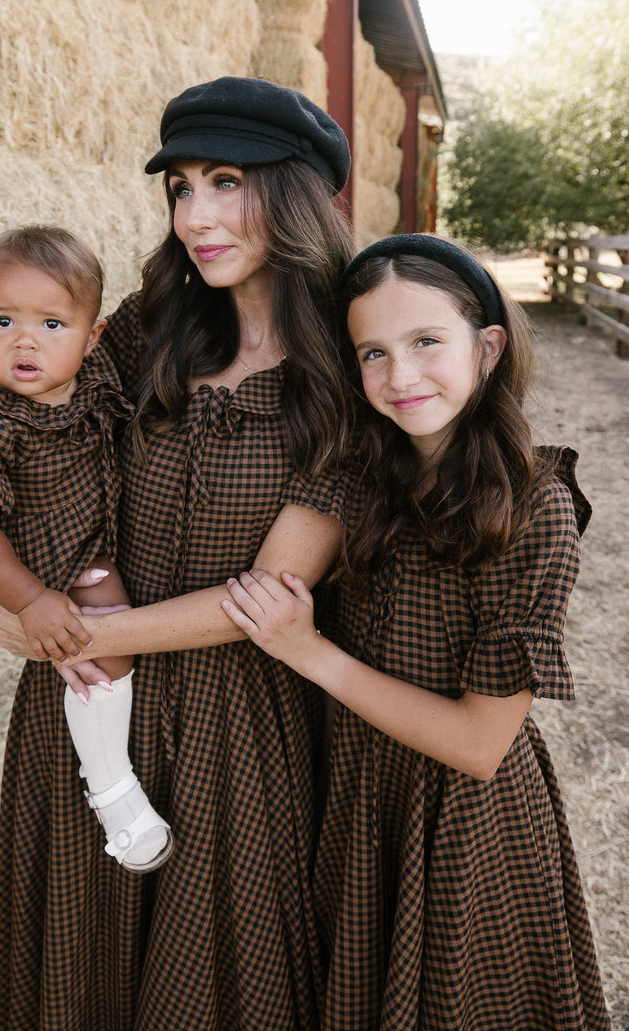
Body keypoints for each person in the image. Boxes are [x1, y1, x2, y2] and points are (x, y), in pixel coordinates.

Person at [0, 77, 356, 1030]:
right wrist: (9, 582)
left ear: (298, 191)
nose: (196, 215)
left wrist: (64, 629)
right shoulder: (147, 326)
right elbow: (17, 421)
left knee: (214, 987)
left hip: (236, 725)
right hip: (94, 707)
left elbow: (275, 589)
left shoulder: (344, 370)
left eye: (226, 180)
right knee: (76, 970)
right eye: (181, 187)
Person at [221, 234, 611, 1030]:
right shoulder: (363, 480)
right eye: (372, 352)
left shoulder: (534, 507)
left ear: (489, 345)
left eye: (426, 341)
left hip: (462, 824)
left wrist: (309, 652)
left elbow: (478, 742)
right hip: (357, 799)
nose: (400, 377)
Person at [0, 226, 173, 873]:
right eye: (3, 320)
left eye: (52, 323)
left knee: (113, 634)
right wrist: (31, 599)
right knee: (106, 646)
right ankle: (111, 786)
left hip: (96, 543)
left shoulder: (92, 377)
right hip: (51, 568)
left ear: (92, 337)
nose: (25, 340)